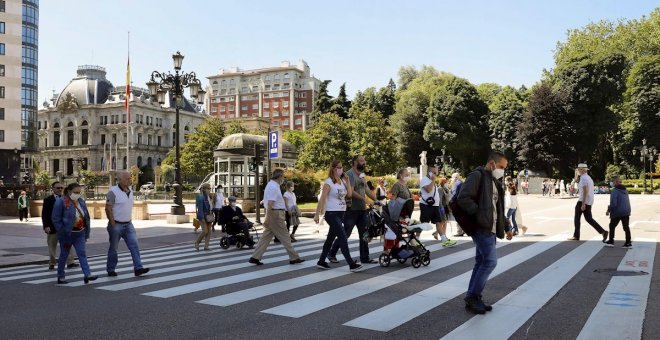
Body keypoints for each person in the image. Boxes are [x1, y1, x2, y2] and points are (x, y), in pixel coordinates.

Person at [457, 151, 513, 314]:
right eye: (502, 167)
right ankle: (473, 297)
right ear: (492, 164)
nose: (503, 170)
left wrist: (507, 226)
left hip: (492, 228)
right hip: (482, 227)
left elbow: (497, 208)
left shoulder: (494, 181)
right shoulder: (477, 176)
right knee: (490, 262)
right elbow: (463, 198)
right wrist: (479, 214)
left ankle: (473, 297)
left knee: (481, 262)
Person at [328, 155, 378, 264]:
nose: (364, 162)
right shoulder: (350, 174)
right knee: (345, 233)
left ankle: (365, 258)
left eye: (364, 160)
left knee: (364, 233)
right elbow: (351, 191)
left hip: (362, 210)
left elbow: (366, 189)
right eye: (361, 160)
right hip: (351, 210)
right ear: (355, 162)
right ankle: (331, 253)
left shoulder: (361, 175)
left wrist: (376, 199)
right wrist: (365, 200)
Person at [314, 160, 363, 272]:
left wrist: (348, 181)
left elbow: (349, 195)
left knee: (330, 239)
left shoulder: (342, 181)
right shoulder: (329, 182)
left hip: (341, 213)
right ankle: (351, 264)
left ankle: (321, 261)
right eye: (339, 167)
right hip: (331, 214)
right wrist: (317, 214)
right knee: (342, 236)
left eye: (342, 167)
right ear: (333, 169)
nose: (342, 169)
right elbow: (322, 199)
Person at [249, 169, 304, 265]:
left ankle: (255, 257)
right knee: (285, 236)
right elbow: (270, 204)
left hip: (274, 214)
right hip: (276, 215)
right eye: (283, 176)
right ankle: (294, 257)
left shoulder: (273, 185)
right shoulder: (273, 187)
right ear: (279, 177)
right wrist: (267, 218)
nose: (283, 178)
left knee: (266, 237)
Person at [105, 171, 150, 277]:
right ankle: (110, 269)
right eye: (127, 179)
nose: (129, 180)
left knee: (134, 246)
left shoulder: (130, 190)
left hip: (128, 224)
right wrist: (113, 224)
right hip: (116, 224)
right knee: (113, 248)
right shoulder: (113, 191)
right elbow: (108, 209)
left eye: (130, 178)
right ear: (119, 180)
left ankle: (138, 268)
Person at [51, 183, 97, 284]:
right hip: (67, 234)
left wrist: (86, 233)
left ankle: (87, 275)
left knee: (82, 254)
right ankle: (61, 276)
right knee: (64, 254)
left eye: (79, 192)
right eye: (75, 192)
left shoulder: (81, 201)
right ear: (69, 191)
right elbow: (55, 219)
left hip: (80, 232)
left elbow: (86, 217)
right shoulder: (61, 201)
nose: (78, 194)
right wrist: (62, 232)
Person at [42, 182, 77, 270]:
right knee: (52, 245)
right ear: (53, 189)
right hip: (52, 227)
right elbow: (45, 214)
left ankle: (70, 262)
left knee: (68, 245)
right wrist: (46, 226)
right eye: (58, 188)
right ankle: (52, 263)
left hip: (65, 227)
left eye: (61, 188)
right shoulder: (48, 200)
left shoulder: (67, 199)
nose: (60, 189)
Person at [568, 164, 608, 242]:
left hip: (582, 201)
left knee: (577, 218)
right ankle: (603, 231)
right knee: (589, 219)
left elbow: (585, 191)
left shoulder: (583, 178)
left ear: (583, 170)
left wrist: (583, 204)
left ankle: (576, 236)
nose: (578, 171)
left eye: (579, 169)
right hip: (588, 201)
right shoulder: (589, 178)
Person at [420, 166, 456, 247]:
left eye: (436, 173)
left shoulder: (431, 181)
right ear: (429, 172)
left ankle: (444, 240)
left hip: (435, 206)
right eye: (434, 172)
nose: (436, 174)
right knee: (423, 223)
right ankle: (416, 240)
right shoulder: (424, 180)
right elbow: (428, 190)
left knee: (439, 222)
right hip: (426, 205)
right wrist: (433, 180)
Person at [605, 176, 632, 248]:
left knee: (612, 226)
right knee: (626, 227)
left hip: (618, 211)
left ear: (615, 182)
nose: (611, 182)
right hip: (626, 210)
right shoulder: (625, 190)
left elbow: (613, 203)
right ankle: (628, 242)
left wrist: (608, 210)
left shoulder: (615, 191)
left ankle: (611, 241)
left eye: (612, 181)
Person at [194, 183, 213, 251]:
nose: (209, 190)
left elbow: (211, 207)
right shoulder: (201, 197)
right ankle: (197, 242)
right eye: (208, 188)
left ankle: (206, 246)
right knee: (205, 231)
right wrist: (201, 217)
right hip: (203, 216)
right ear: (204, 189)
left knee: (209, 232)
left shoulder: (209, 196)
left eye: (210, 188)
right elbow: (200, 208)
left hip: (209, 215)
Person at [449, 172, 466, 237]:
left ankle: (459, 232)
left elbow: (454, 194)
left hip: (457, 203)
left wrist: (451, 201)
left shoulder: (456, 184)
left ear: (455, 178)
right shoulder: (462, 183)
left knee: (458, 218)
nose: (451, 179)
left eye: (452, 178)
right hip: (463, 203)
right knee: (462, 217)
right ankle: (464, 230)